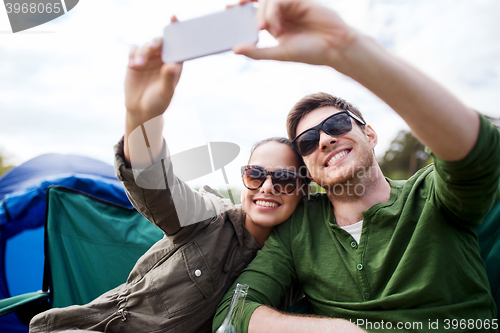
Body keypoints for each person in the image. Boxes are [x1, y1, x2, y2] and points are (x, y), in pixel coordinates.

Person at [213, 0, 500, 332]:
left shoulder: (433, 194)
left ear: (370, 134)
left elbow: (479, 152)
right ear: (307, 167)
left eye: (336, 125)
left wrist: (346, 50)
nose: (323, 140)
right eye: (306, 142)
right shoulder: (298, 230)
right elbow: (234, 310)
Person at [28, 22, 308, 333]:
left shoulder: (297, 259)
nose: (267, 187)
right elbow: (154, 185)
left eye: (284, 179)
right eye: (255, 175)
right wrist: (142, 114)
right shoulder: (209, 217)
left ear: (303, 190)